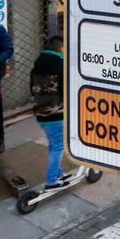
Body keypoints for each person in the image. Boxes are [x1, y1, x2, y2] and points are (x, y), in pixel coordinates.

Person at [30, 36, 70, 189]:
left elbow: (31, 89)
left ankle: (59, 173)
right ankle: (52, 180)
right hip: (56, 113)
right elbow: (65, 90)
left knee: (53, 144)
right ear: (61, 48)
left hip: (40, 112)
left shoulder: (37, 65)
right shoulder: (60, 65)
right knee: (58, 147)